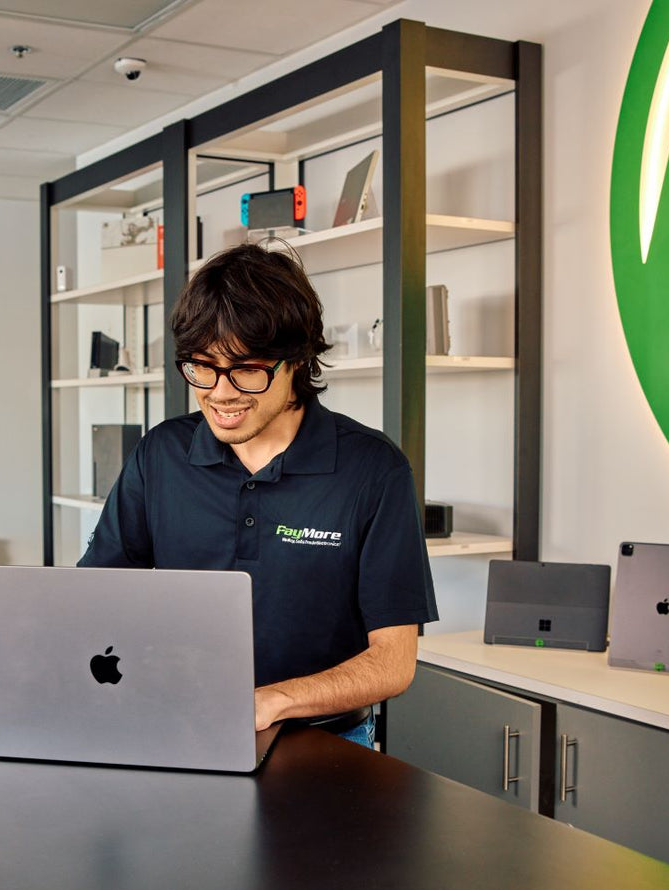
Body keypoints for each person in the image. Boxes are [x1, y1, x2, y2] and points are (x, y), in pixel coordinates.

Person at [79, 243, 437, 746]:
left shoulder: (374, 471)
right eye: (202, 366)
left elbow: (394, 663)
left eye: (246, 370)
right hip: (178, 727)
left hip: (326, 742)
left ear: (297, 361)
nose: (220, 393)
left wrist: (272, 700)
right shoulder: (159, 455)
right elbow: (94, 596)